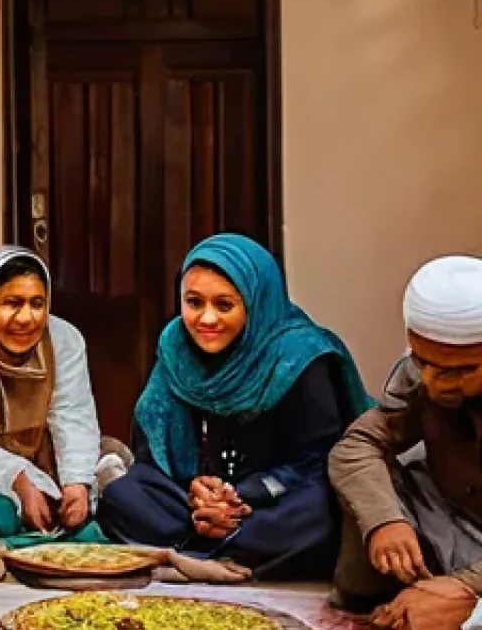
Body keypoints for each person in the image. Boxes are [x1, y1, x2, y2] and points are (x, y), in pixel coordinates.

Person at [98, 233, 372, 581]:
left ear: (255, 304)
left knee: (326, 509)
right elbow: (152, 448)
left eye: (224, 305)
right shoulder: (176, 347)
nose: (206, 320)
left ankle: (198, 552)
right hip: (193, 504)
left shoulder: (300, 357)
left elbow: (320, 460)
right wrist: (198, 492)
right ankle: (226, 550)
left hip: (273, 501)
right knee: (122, 495)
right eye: (194, 303)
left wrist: (243, 496)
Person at [330, 255, 482, 630]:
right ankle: (401, 596)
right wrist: (385, 523)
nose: (438, 384)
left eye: (461, 370)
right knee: (383, 481)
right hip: (459, 528)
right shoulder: (420, 379)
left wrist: (465, 594)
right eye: (426, 364)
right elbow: (356, 446)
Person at [0, 246, 103, 543]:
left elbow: (73, 416)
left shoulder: (63, 339)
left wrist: (75, 484)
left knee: (99, 524)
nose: (26, 317)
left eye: (37, 303)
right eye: (12, 303)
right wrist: (20, 482)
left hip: (49, 466)